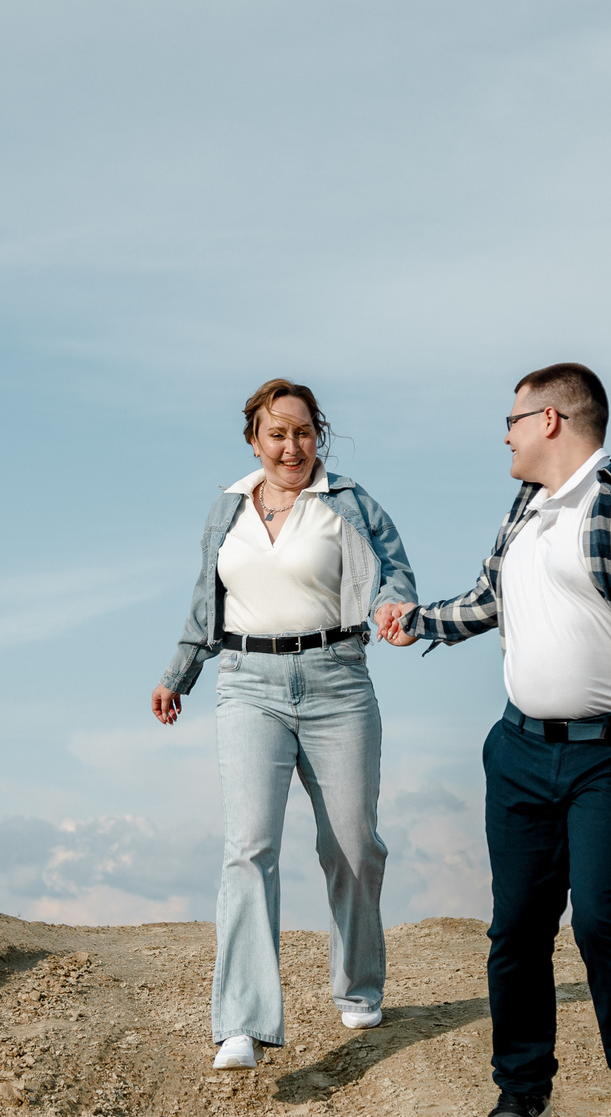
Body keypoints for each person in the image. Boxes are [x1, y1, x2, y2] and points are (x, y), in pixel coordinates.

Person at [377, 363, 611, 1117]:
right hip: (521, 753)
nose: (504, 433)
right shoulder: (527, 507)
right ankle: (521, 1091)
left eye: (513, 418)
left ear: (555, 420)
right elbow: (491, 598)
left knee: (603, 919)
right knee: (518, 931)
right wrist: (419, 620)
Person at [154, 379, 418, 1071]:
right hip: (249, 685)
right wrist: (176, 675)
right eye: (277, 433)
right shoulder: (228, 508)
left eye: (303, 433)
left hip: (338, 679)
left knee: (353, 844)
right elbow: (203, 603)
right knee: (250, 844)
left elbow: (394, 573)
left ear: (317, 437)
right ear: (254, 440)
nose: (291, 446)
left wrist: (394, 609)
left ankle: (357, 985)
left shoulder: (349, 502)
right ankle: (240, 1020)